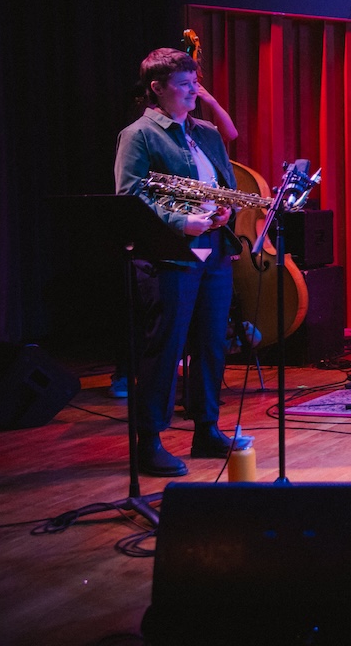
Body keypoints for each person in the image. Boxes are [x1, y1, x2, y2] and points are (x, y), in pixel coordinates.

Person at [114, 47, 239, 476]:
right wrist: (180, 221)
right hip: (169, 256)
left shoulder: (206, 132)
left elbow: (226, 185)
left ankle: (207, 429)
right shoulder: (140, 135)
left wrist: (224, 213)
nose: (193, 92)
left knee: (211, 344)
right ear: (157, 88)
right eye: (184, 85)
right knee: (164, 349)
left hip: (213, 253)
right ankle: (148, 441)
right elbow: (131, 196)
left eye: (194, 83)